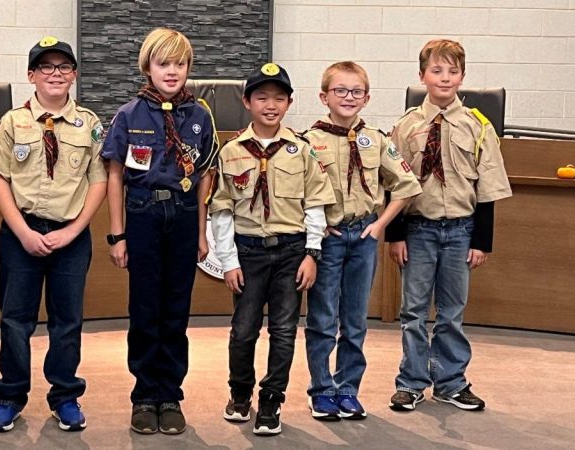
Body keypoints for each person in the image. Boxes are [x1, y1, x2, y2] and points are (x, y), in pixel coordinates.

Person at [0, 37, 107, 432]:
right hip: (21, 235)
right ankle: (9, 395)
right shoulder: (12, 122)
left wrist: (73, 230)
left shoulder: (89, 124)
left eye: (63, 67)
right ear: (31, 75)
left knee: (67, 321)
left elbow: (98, 180)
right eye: (46, 67)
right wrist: (21, 231)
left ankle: (65, 396)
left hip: (70, 238)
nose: (55, 74)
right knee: (15, 320)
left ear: (74, 75)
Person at [100, 27, 218, 435]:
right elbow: (115, 175)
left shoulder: (200, 116)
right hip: (144, 214)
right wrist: (118, 234)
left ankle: (170, 395)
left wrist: (202, 234)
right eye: (163, 63)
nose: (172, 72)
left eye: (180, 64)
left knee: (175, 311)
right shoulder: (129, 114)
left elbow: (204, 178)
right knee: (145, 310)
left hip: (184, 216)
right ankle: (144, 395)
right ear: (147, 66)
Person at [386, 39, 512, 412]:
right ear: (421, 75)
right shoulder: (405, 127)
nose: (444, 78)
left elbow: (487, 186)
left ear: (463, 76)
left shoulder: (479, 127)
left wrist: (482, 241)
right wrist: (395, 235)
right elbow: (392, 185)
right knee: (412, 312)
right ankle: (410, 382)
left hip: (460, 231)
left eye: (452, 71)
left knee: (451, 312)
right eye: (436, 70)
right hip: (418, 230)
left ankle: (449, 381)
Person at [210, 62, 336, 435]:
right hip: (248, 252)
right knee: (244, 330)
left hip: (291, 252)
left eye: (279, 98)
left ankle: (271, 400)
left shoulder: (302, 150)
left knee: (283, 331)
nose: (271, 105)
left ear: (290, 102)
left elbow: (315, 205)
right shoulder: (231, 151)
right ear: (247, 101)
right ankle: (240, 393)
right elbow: (221, 210)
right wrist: (228, 261)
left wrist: (312, 254)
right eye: (262, 97)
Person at [302, 61, 421, 421]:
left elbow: (406, 185)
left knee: (354, 319)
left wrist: (381, 224)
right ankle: (322, 390)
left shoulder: (377, 140)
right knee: (322, 319)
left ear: (366, 98)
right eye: (340, 90)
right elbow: (294, 192)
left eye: (356, 92)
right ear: (324, 96)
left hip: (363, 236)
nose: (348, 97)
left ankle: (348, 388)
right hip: (330, 239)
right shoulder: (308, 141)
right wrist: (317, 226)